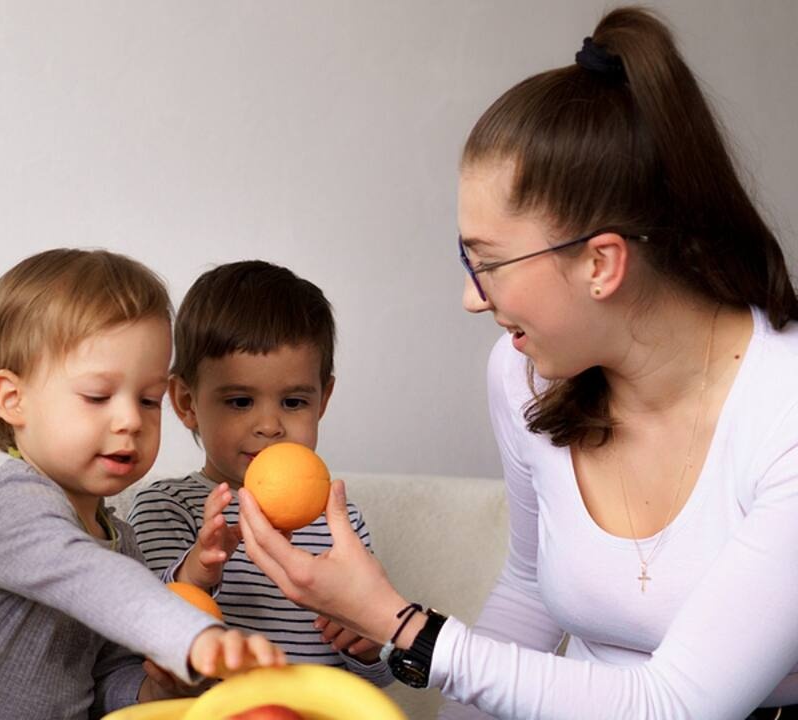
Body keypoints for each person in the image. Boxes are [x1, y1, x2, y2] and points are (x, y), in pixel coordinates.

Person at [237, 7, 798, 719]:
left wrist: (401, 626)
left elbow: (678, 705)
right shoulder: (524, 375)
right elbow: (530, 593)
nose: (473, 299)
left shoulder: (785, 413)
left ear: (602, 262)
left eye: (490, 263)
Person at [0, 249, 286, 720]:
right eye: (97, 396)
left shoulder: (119, 543)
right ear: (13, 398)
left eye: (148, 400)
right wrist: (192, 634)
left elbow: (105, 681)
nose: (130, 420)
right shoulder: (13, 507)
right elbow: (94, 580)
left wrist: (156, 691)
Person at [128, 260, 391, 687]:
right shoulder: (167, 508)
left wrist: (367, 641)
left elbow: (379, 676)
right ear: (186, 403)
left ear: (322, 399)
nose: (269, 425)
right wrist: (199, 568)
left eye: (293, 403)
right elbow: (143, 631)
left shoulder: (342, 523)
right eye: (239, 402)